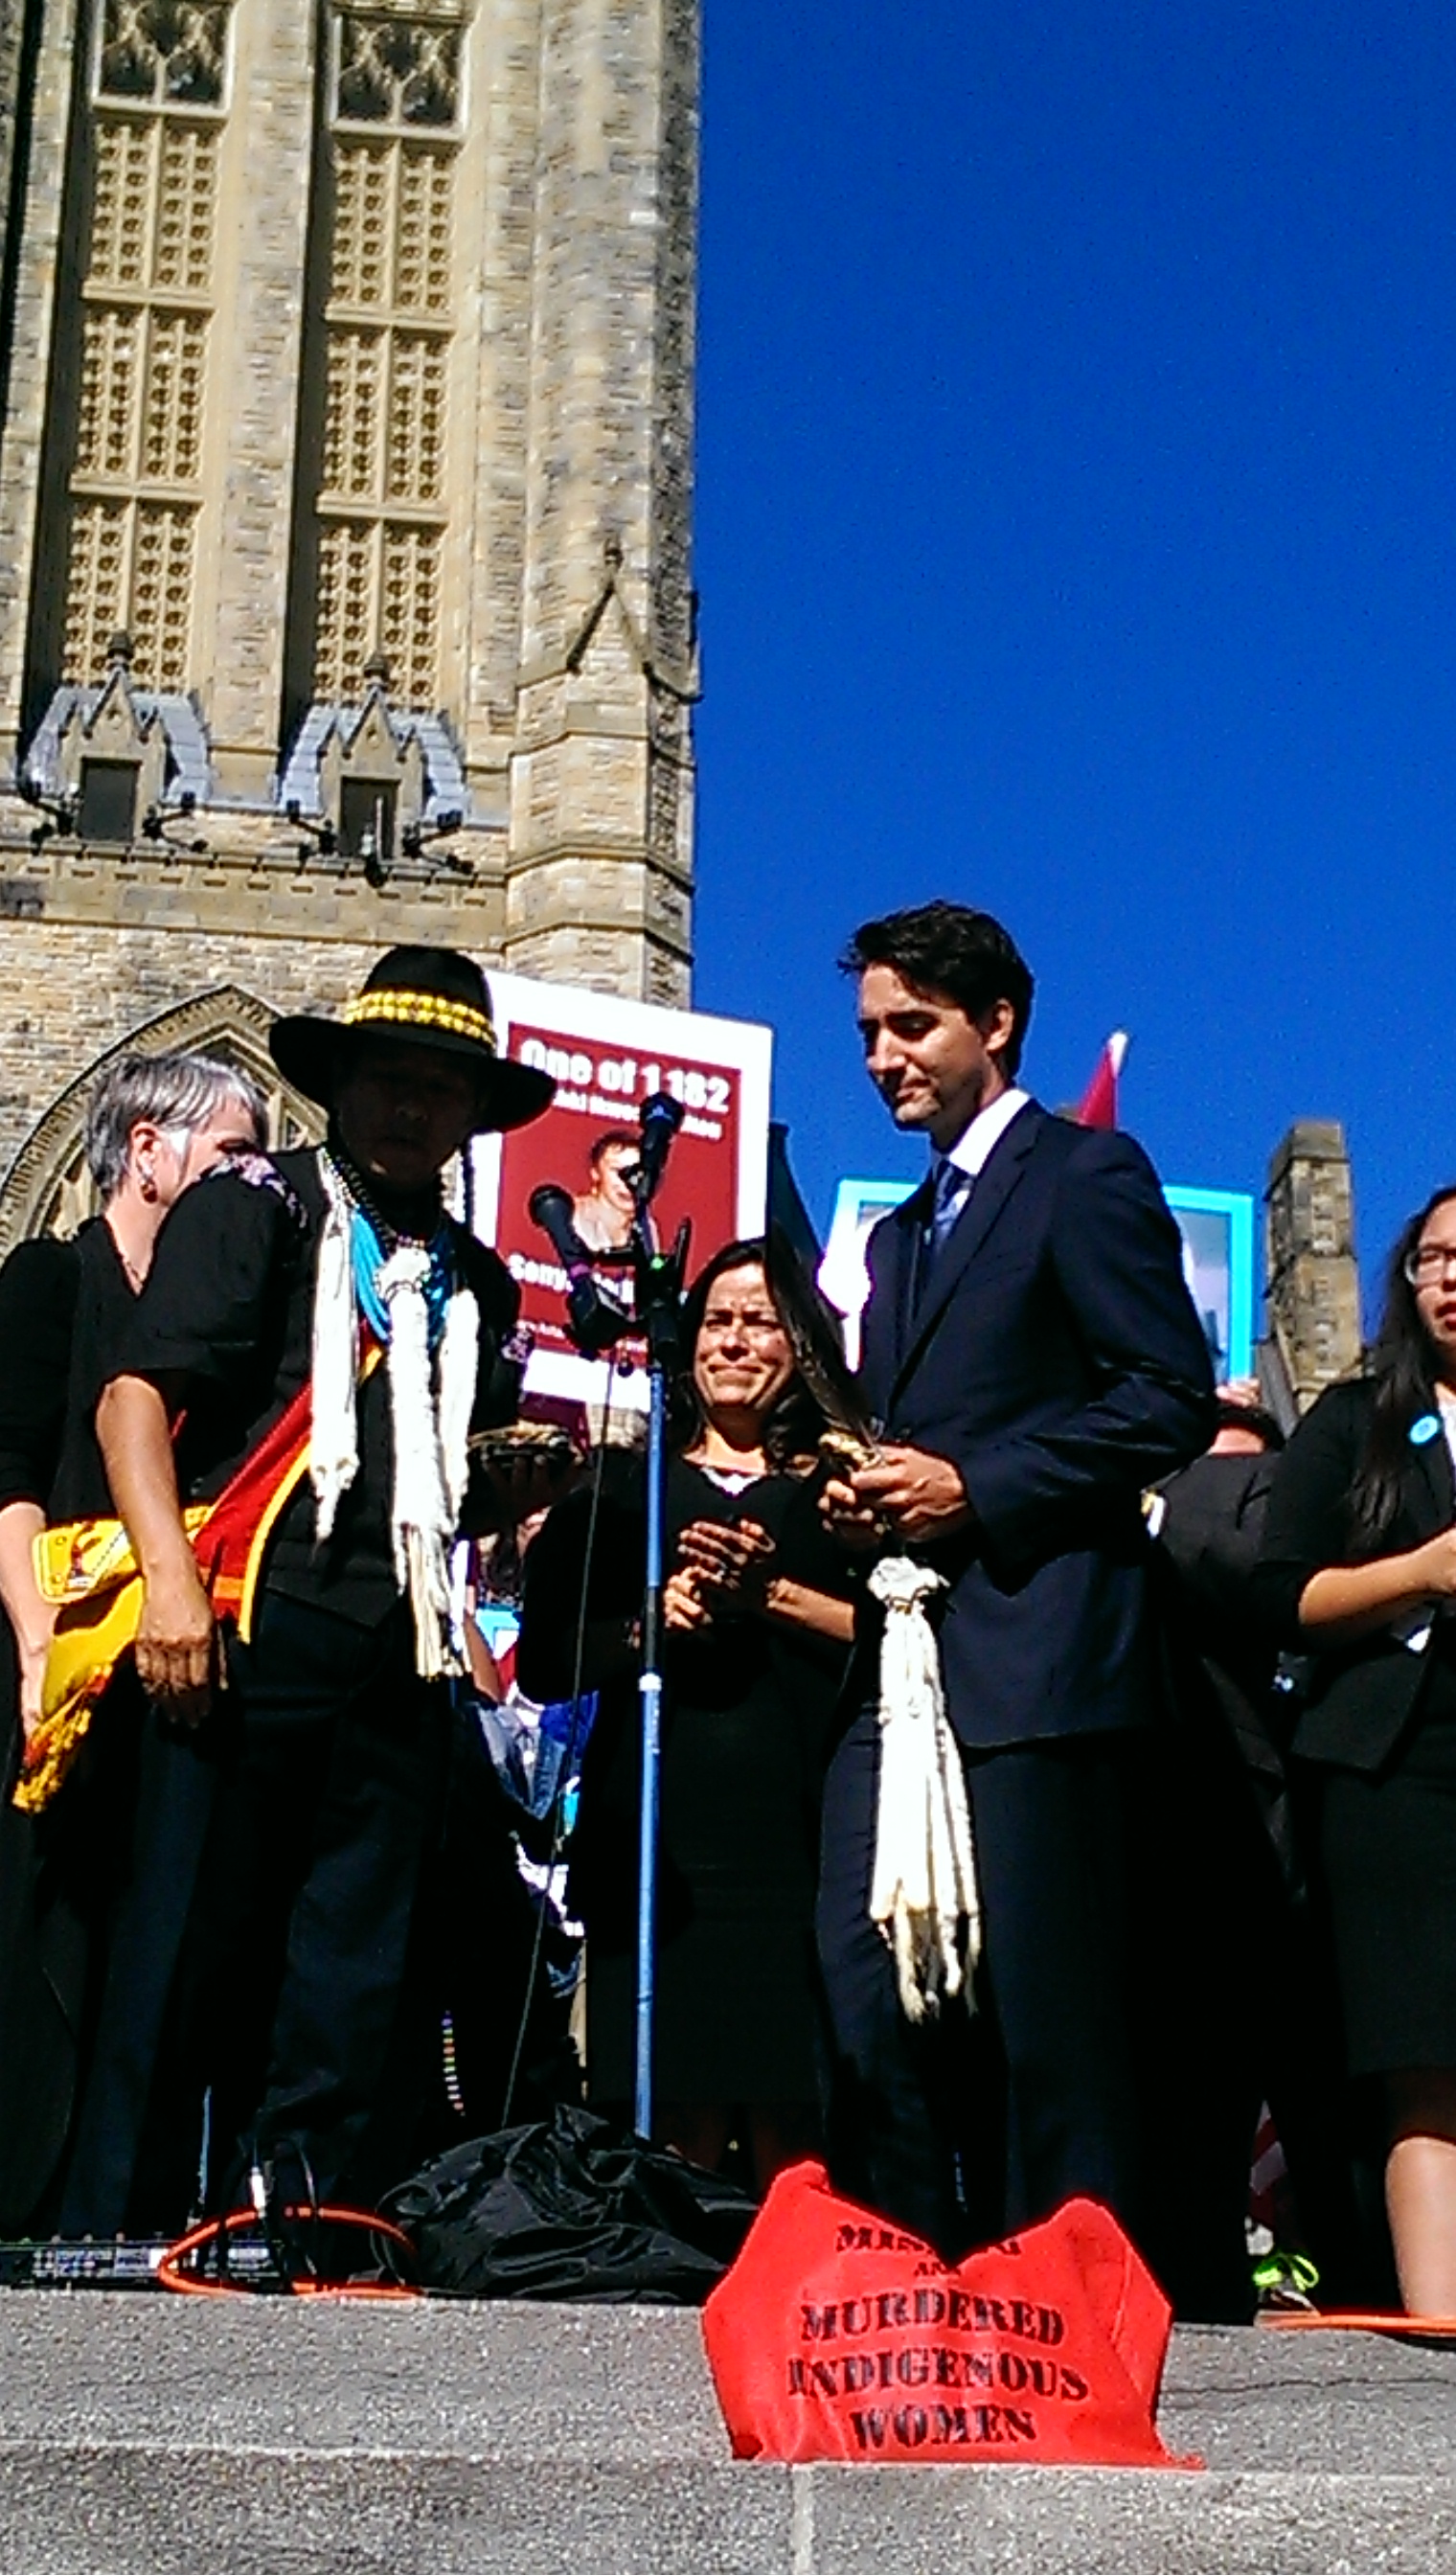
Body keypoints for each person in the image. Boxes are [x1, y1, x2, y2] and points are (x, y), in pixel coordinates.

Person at [56, 947, 557, 2234]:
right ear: (340, 1086)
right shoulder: (258, 1206)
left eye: (439, 1090)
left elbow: (438, 1490)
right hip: (234, 1638)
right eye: (388, 1079)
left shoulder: (481, 1283)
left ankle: (305, 2235)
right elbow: (134, 1405)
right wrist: (171, 1590)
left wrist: (523, 1478)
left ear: (470, 1115)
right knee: (182, 1958)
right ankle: (126, 2233)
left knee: (353, 1974)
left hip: (393, 1670)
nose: (410, 1107)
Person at [818, 899, 1216, 2258]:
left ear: (996, 1025)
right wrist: (863, 1490)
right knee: (869, 1990)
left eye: (911, 1026)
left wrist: (976, 1488)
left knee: (1053, 2025)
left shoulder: (1085, 1176)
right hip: (911, 1670)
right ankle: (924, 2298)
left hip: (1048, 1669)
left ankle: (1076, 2324)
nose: (882, 1057)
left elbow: (1162, 1397)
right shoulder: (892, 1240)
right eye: (868, 1031)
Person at [518, 1239, 858, 2190]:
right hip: (660, 1854)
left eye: (761, 1322)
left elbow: (897, 1644)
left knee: (801, 2140)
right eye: (717, 1320)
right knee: (674, 2132)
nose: (735, 1343)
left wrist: (771, 1595)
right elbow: (547, 1662)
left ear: (801, 1343)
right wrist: (645, 1628)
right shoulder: (628, 1489)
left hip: (806, 1848)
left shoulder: (842, 1493)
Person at [0, 1051, 264, 2232]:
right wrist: (31, 1647)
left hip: (163, 1674)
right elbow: (6, 1472)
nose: (246, 1176)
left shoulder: (216, 1322)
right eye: (227, 1151)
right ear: (146, 1150)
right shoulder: (53, 1283)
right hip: (50, 1658)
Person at [1256, 1184, 1456, 2316]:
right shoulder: (1356, 1418)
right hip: (1392, 1775)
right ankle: (1437, 2338)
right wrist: (1422, 1572)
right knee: (1425, 2064)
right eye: (1429, 1259)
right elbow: (1281, 1596)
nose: (1446, 1279)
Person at [571, 1133, 642, 1256]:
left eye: (638, 1172)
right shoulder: (571, 1219)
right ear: (596, 1173)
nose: (630, 1181)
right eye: (618, 1171)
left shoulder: (645, 1228)